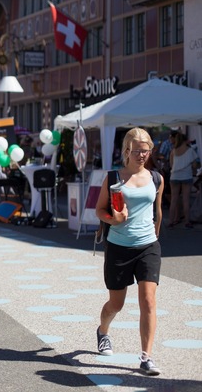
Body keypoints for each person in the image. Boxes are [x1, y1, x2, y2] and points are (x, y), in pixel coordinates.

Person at [94, 127, 164, 376]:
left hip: (148, 246)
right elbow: (99, 210)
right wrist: (114, 220)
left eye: (146, 151)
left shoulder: (156, 178)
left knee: (148, 301)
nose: (142, 155)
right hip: (118, 247)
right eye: (137, 151)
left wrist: (155, 236)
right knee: (117, 303)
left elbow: (157, 212)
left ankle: (146, 357)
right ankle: (103, 331)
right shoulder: (114, 177)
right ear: (126, 151)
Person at [168, 132, 198, 229]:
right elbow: (194, 165)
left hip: (174, 176)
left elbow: (171, 165)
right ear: (185, 140)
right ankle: (187, 222)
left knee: (174, 200)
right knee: (186, 199)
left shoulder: (173, 151)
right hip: (186, 176)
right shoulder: (190, 150)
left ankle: (171, 221)